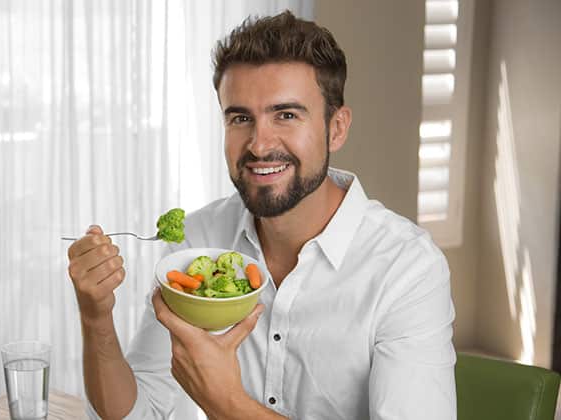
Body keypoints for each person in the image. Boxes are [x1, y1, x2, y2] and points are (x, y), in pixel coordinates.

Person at [66, 10, 456, 420]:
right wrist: (96, 318)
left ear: (337, 128)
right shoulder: (199, 238)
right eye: (240, 118)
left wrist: (227, 403)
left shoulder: (407, 268)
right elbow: (140, 412)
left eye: (286, 115)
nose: (258, 143)